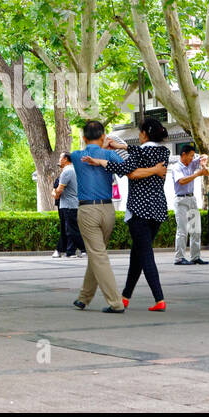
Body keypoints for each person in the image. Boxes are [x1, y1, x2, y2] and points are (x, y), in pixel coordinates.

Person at [82, 118, 170, 311]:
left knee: (145, 255)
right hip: (158, 208)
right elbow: (135, 157)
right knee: (137, 255)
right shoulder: (164, 151)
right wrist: (154, 170)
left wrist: (99, 160)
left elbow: (125, 171)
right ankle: (125, 296)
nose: (138, 136)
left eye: (140, 132)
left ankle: (159, 298)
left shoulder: (140, 153)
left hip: (139, 210)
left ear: (145, 133)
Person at [69, 120, 130, 313]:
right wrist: (107, 147)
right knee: (97, 255)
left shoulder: (77, 155)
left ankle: (115, 302)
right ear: (104, 136)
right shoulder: (110, 154)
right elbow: (127, 168)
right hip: (108, 210)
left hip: (87, 211)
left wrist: (99, 145)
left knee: (98, 256)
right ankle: (84, 297)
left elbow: (84, 151)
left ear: (84, 138)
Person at [170, 145, 209, 266]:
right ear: (183, 155)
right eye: (191, 155)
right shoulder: (176, 167)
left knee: (195, 229)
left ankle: (195, 256)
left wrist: (204, 158)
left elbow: (203, 156)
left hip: (192, 198)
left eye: (193, 155)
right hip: (181, 200)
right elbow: (181, 181)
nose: (193, 158)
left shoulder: (191, 163)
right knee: (182, 230)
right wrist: (197, 174)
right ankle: (179, 257)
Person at [52, 153, 84, 258]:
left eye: (60, 158)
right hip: (72, 204)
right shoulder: (75, 170)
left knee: (72, 230)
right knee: (71, 229)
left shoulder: (67, 171)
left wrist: (54, 193)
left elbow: (59, 190)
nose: (59, 160)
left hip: (68, 205)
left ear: (65, 159)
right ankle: (70, 252)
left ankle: (87, 249)